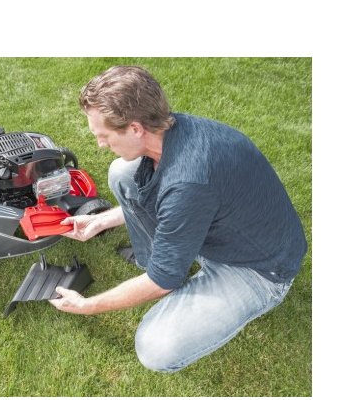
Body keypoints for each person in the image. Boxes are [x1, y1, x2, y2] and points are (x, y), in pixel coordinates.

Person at [49, 65, 307, 373]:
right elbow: (177, 205)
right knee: (122, 172)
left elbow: (162, 280)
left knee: (156, 348)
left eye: (103, 135)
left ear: (135, 128)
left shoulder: (188, 182)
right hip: (215, 223)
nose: (101, 144)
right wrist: (102, 220)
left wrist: (88, 305)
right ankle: (160, 259)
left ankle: (175, 267)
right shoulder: (174, 129)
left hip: (258, 267)